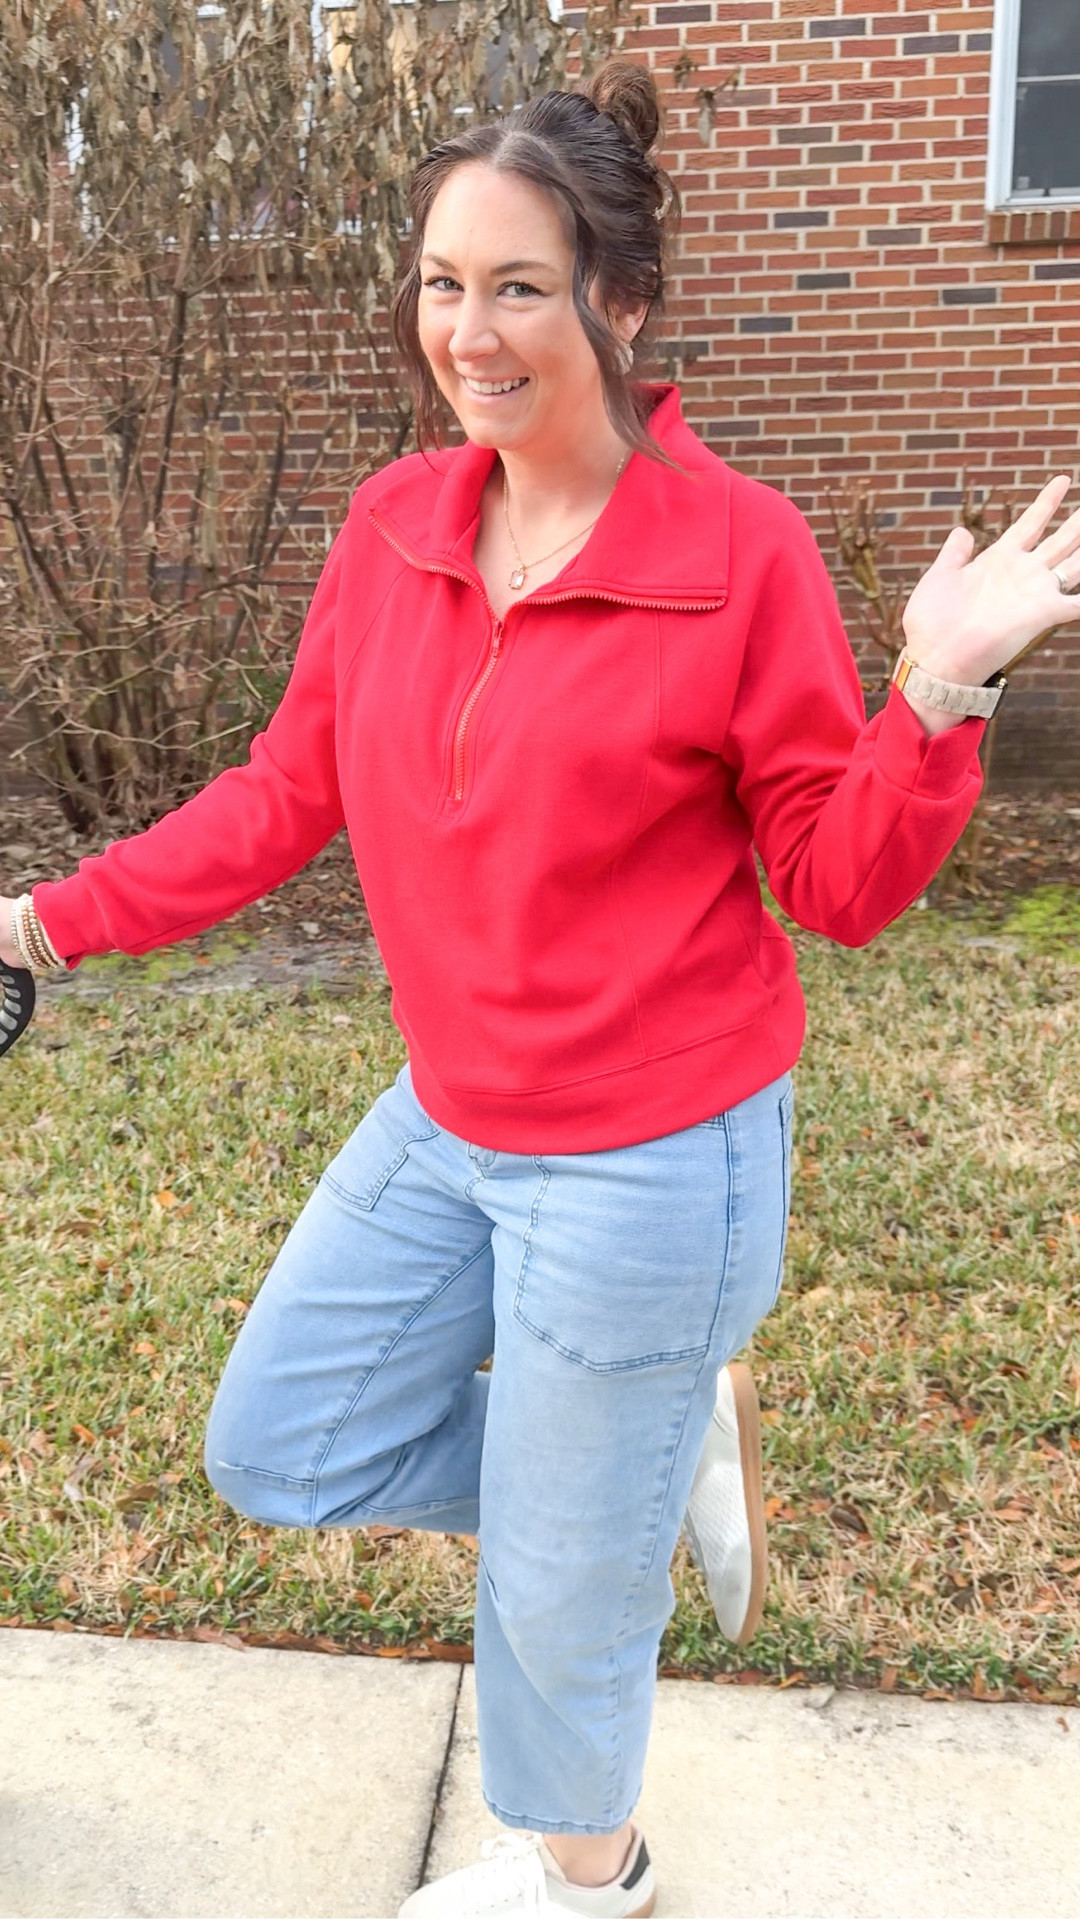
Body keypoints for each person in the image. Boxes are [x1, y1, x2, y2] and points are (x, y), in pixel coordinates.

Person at [5, 57, 1079, 1919]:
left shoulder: (732, 559)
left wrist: (937, 693)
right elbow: (283, 797)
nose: (470, 331)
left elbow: (834, 884)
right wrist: (43, 919)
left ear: (622, 304)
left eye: (516, 285)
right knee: (284, 1441)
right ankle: (644, 1473)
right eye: (442, 281)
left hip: (654, 1162)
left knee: (559, 1614)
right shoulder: (398, 528)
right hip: (453, 1111)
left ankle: (594, 1871)